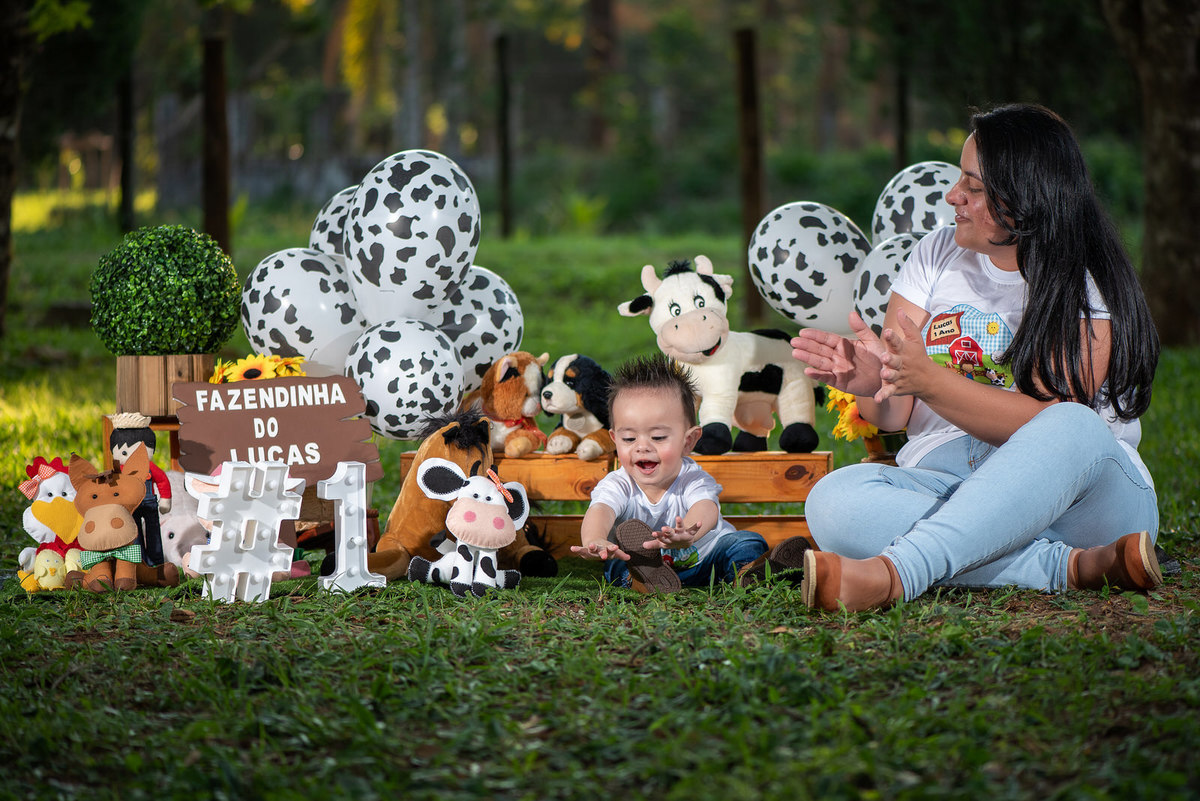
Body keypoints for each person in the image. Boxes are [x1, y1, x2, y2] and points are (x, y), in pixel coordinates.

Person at [791, 103, 1162, 612]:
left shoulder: (1083, 281)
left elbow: (1046, 426)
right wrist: (872, 379)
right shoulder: (934, 253)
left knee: (1074, 423)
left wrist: (931, 382)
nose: (952, 197)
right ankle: (1070, 567)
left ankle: (896, 573)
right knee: (831, 500)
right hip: (948, 480)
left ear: (1028, 198)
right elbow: (894, 412)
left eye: (975, 187)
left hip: (1079, 501)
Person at [570, 353, 773, 592]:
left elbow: (706, 507)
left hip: (705, 561)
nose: (642, 446)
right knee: (616, 562)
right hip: (643, 563)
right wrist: (595, 540)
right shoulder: (618, 484)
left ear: (688, 441)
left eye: (658, 437)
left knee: (747, 541)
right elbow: (601, 510)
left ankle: (745, 574)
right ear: (615, 439)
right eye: (629, 438)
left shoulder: (692, 478)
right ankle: (642, 580)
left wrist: (687, 532)